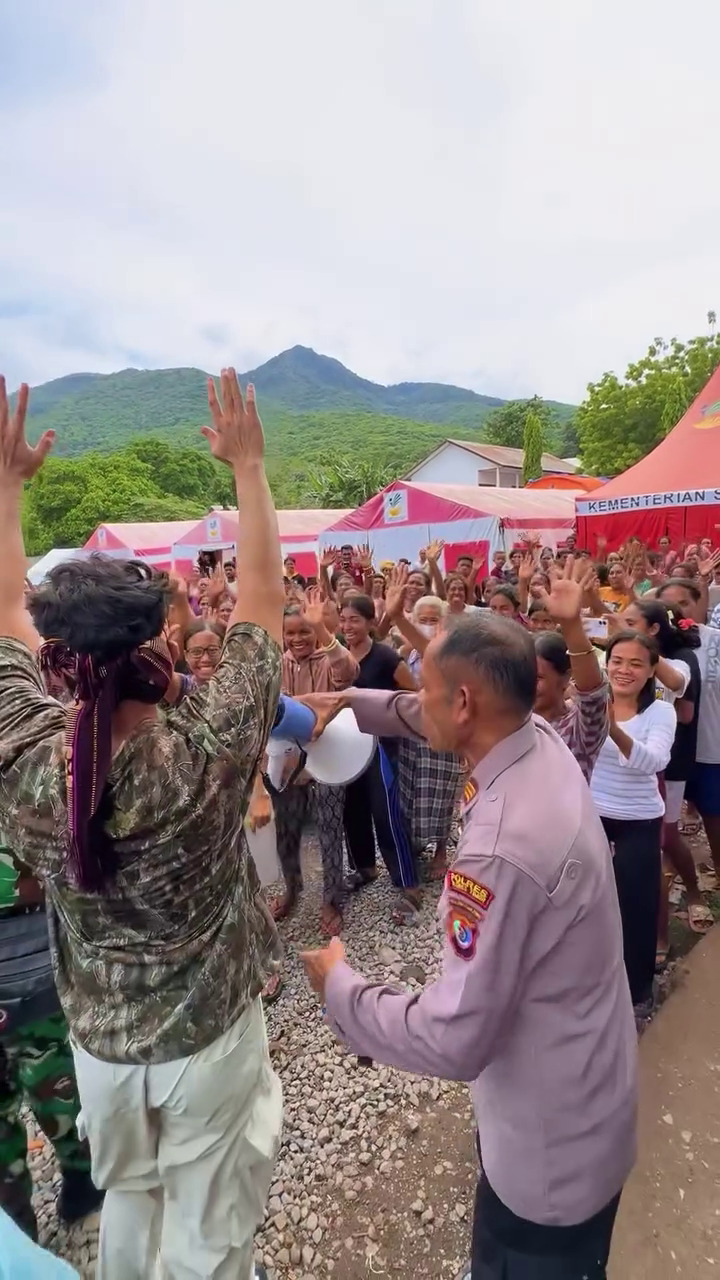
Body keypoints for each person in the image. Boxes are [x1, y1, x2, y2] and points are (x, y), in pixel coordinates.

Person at [0, 370, 284, 1280]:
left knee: (130, 1203)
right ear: (161, 639)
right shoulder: (210, 745)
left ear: (57, 662)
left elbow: (2, 614)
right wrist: (248, 468)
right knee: (210, 1232)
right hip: (208, 1044)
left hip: (101, 1050)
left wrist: (7, 490)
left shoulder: (24, 754)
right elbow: (264, 604)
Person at [299, 612, 637, 1280]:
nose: (415, 697)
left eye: (425, 688)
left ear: (462, 703)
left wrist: (342, 989)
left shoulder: (503, 850)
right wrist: (351, 702)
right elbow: (423, 710)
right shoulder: (535, 735)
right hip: (587, 1092)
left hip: (548, 1162)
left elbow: (456, 1038)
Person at [0, 844, 103, 1238]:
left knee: (53, 1078)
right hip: (31, 956)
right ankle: (81, 1180)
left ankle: (16, 1230)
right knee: (54, 1077)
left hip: (29, 955)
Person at [589, 631, 676, 1017]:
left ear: (652, 669)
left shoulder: (661, 712)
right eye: (617, 661)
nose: (624, 670)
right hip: (590, 813)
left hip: (638, 818)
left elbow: (655, 761)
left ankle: (637, 990)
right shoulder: (590, 702)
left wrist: (614, 730)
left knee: (635, 904)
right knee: (586, 900)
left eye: (636, 663)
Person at [619, 600, 710, 949]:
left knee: (666, 838)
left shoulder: (678, 662)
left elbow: (678, 688)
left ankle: (691, 894)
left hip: (666, 767)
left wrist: (640, 654)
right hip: (623, 776)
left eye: (631, 622)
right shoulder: (616, 662)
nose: (624, 668)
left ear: (654, 629)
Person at [269, 593, 358, 935]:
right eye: (290, 633)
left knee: (330, 831)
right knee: (286, 831)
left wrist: (323, 630)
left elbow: (348, 673)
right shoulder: (276, 664)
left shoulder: (329, 660)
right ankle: (292, 890)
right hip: (287, 764)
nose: (297, 639)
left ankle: (331, 899)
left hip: (328, 758)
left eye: (304, 631)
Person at [339, 594, 421, 922]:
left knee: (387, 813)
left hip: (381, 746)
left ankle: (409, 884)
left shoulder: (385, 657)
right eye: (343, 620)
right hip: (347, 745)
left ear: (371, 622)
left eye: (355, 620)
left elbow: (414, 693)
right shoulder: (338, 654)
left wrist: (390, 718)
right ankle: (365, 867)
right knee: (353, 810)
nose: (348, 626)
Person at [657, 579, 720, 886]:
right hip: (673, 751)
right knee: (668, 825)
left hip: (710, 745)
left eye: (683, 603)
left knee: (713, 815)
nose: (676, 610)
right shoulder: (654, 647)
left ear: (699, 603)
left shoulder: (715, 641)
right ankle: (670, 879)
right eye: (667, 605)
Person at [531, 558, 609, 782]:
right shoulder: (508, 720)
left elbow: (593, 695)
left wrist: (571, 624)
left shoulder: (578, 729)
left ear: (566, 678)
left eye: (538, 677)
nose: (526, 684)